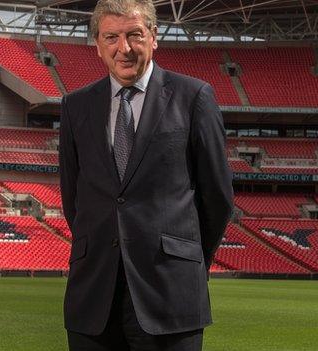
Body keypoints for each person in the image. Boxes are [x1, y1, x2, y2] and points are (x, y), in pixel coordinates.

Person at [58, 0, 234, 350]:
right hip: (93, 295)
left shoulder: (193, 97)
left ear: (154, 37)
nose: (123, 48)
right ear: (97, 45)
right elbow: (73, 196)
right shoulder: (75, 105)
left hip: (170, 294)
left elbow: (218, 198)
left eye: (134, 35)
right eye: (111, 37)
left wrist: (184, 258)